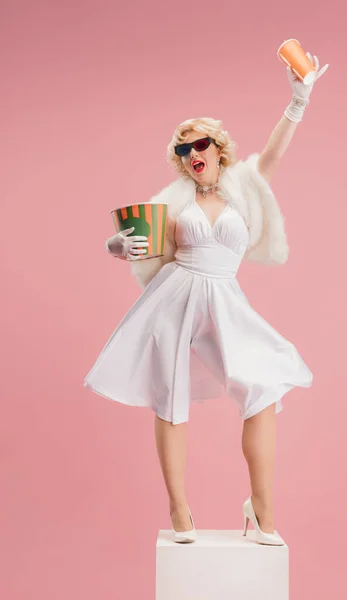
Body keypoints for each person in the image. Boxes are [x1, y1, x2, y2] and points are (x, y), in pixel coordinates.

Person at [84, 53, 328, 545]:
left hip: (224, 299)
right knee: (170, 399)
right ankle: (179, 508)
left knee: (262, 388)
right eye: (182, 148)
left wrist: (298, 99)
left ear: (218, 149)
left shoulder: (243, 188)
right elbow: (144, 241)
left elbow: (274, 154)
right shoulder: (174, 201)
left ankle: (261, 513)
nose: (191, 152)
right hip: (176, 296)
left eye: (200, 143)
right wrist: (115, 245)